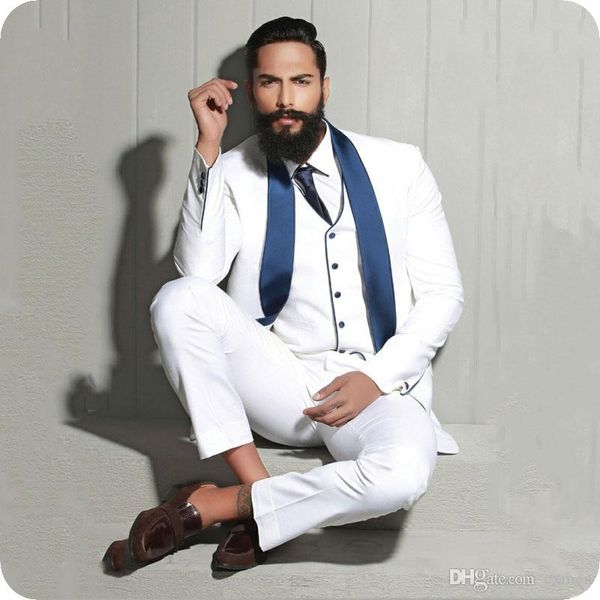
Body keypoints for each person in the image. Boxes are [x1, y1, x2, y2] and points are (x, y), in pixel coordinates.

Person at [103, 15, 464, 573]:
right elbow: (197, 274)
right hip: (284, 383)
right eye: (270, 83)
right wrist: (207, 147)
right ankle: (258, 487)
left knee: (401, 478)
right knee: (177, 298)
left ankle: (224, 504)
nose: (286, 99)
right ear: (252, 92)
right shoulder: (232, 171)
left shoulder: (399, 166)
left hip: (381, 386)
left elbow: (443, 294)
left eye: (301, 82)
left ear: (324, 87)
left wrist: (377, 377)